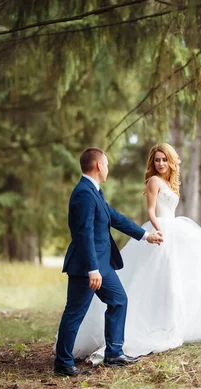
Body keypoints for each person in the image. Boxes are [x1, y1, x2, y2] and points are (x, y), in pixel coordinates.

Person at [70, 143, 201, 363]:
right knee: (144, 285)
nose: (160, 163)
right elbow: (150, 211)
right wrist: (156, 231)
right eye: (157, 160)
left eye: (164, 159)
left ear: (170, 161)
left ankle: (172, 324)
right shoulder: (151, 181)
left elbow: (115, 217)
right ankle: (90, 354)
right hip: (160, 229)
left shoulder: (169, 183)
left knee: (178, 277)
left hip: (171, 227)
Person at [54, 147, 163, 377]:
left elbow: (115, 217)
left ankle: (114, 353)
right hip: (87, 266)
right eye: (106, 164)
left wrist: (145, 235)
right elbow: (84, 234)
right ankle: (63, 363)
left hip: (102, 264)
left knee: (119, 300)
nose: (108, 168)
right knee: (74, 312)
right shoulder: (83, 193)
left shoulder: (94, 191)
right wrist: (92, 269)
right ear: (98, 166)